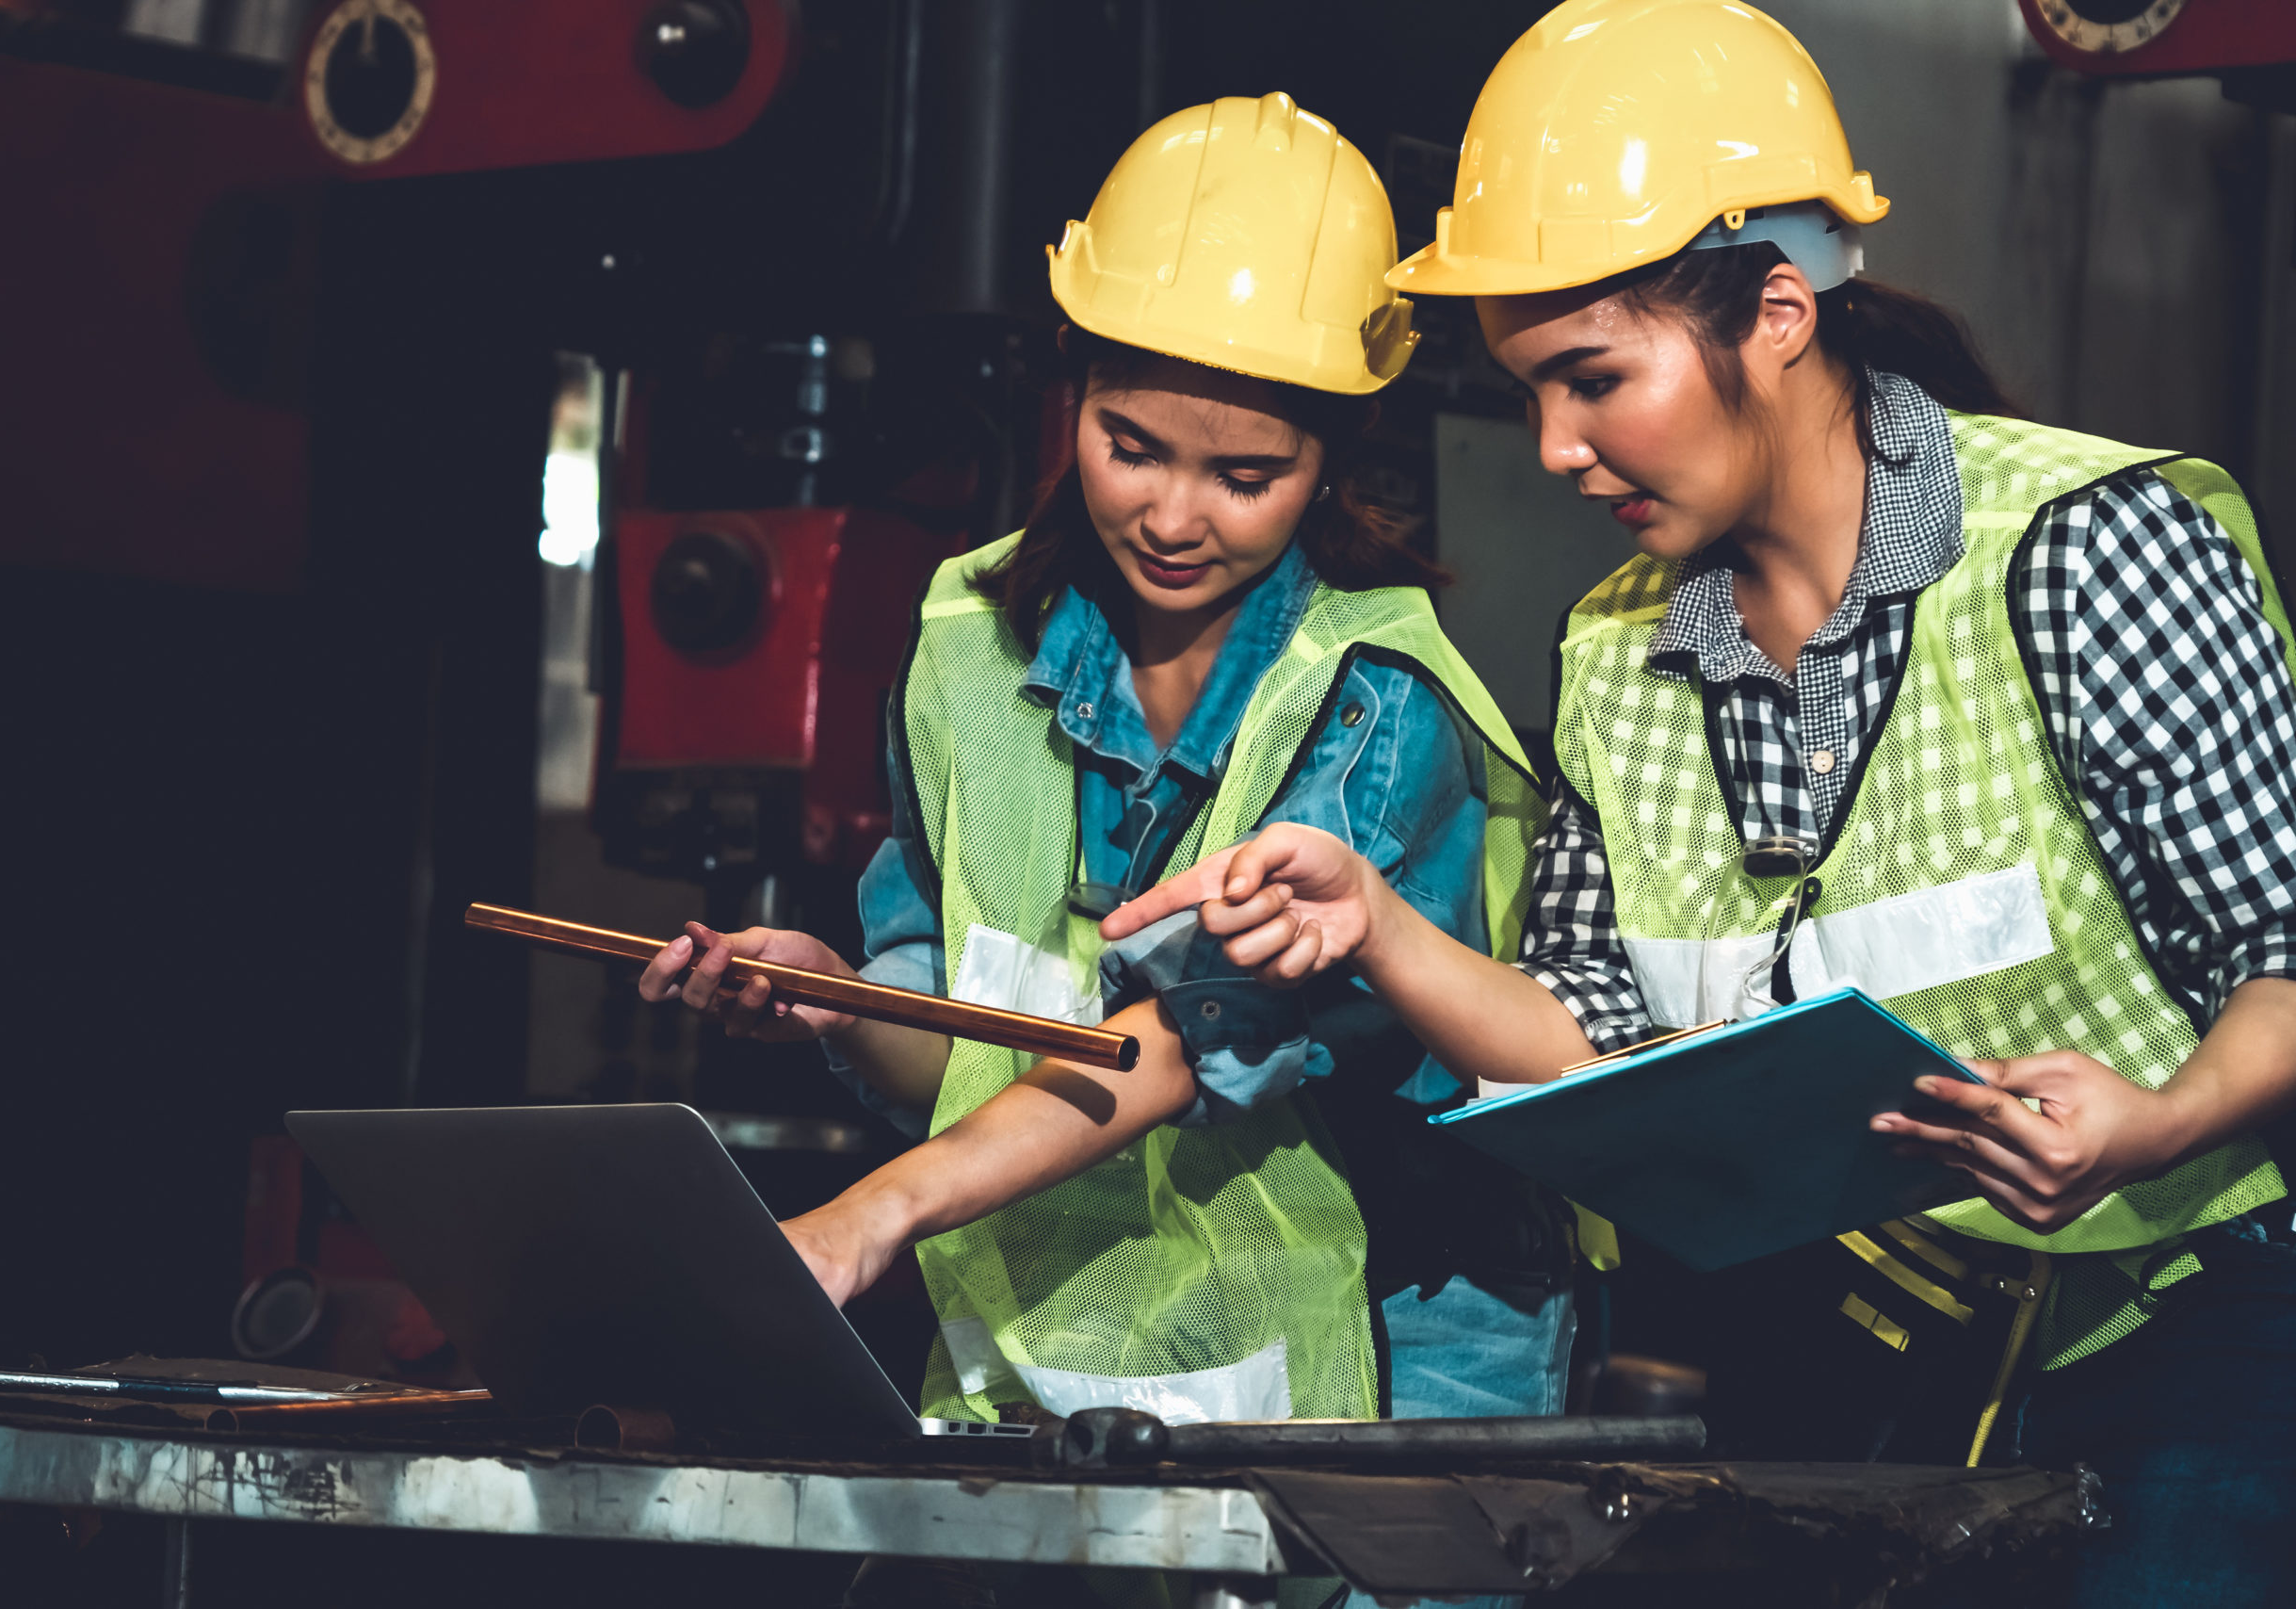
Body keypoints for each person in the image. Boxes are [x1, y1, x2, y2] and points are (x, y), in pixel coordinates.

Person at [1101, 3, 2296, 1604]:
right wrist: (1377, 928)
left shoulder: (2083, 549)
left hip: (2199, 1326)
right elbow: (1593, 1040)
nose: (1555, 447)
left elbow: (2280, 950)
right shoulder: (1614, 650)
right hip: (1869, 1358)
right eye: (1529, 391)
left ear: (1780, 311)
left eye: (1593, 378)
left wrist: (2163, 1120)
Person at [640, 93, 1571, 1458]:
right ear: (1069, 391)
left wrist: (876, 1212)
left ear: (1332, 466)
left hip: (1404, 1313)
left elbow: (1184, 1045)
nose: (1171, 515)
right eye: (1129, 445)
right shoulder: (968, 644)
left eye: (1244, 474)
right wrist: (835, 1003)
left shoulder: (1376, 699)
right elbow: (958, 1053)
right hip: (1101, 1293)